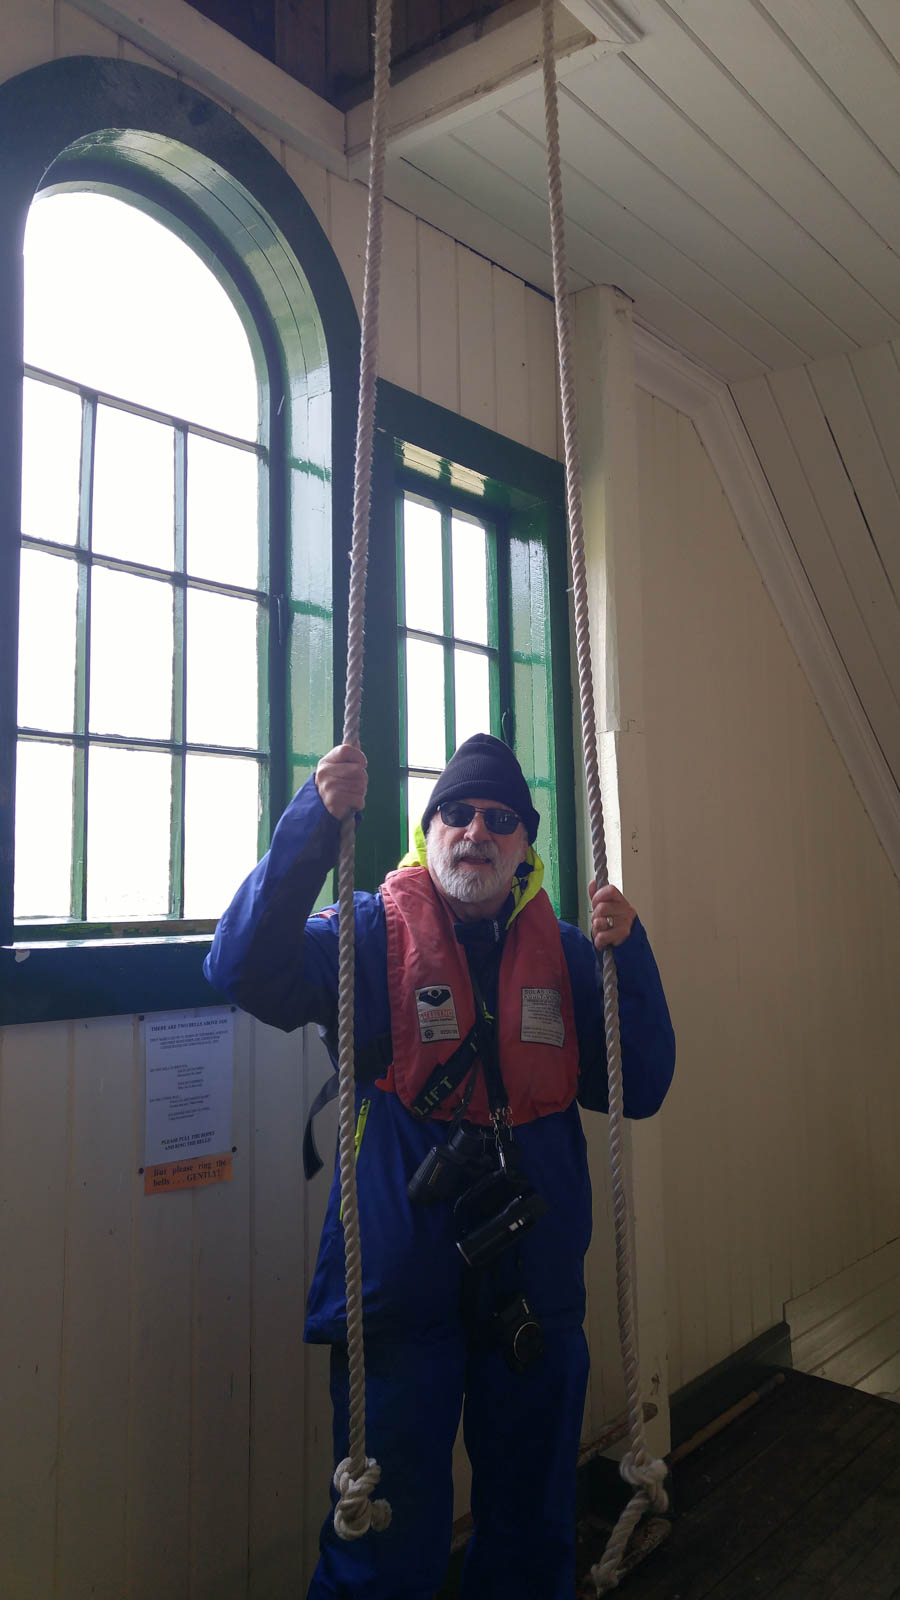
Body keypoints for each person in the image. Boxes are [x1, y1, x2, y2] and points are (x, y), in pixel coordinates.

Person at [205, 732, 675, 1600]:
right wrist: (314, 824)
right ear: (428, 835)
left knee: (532, 1531)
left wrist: (633, 955)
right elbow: (240, 966)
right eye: (456, 813)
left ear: (525, 848)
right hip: (400, 1295)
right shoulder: (367, 936)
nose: (476, 832)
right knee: (383, 1543)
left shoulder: (572, 955)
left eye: (501, 819)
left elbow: (640, 1086)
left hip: (531, 1295)